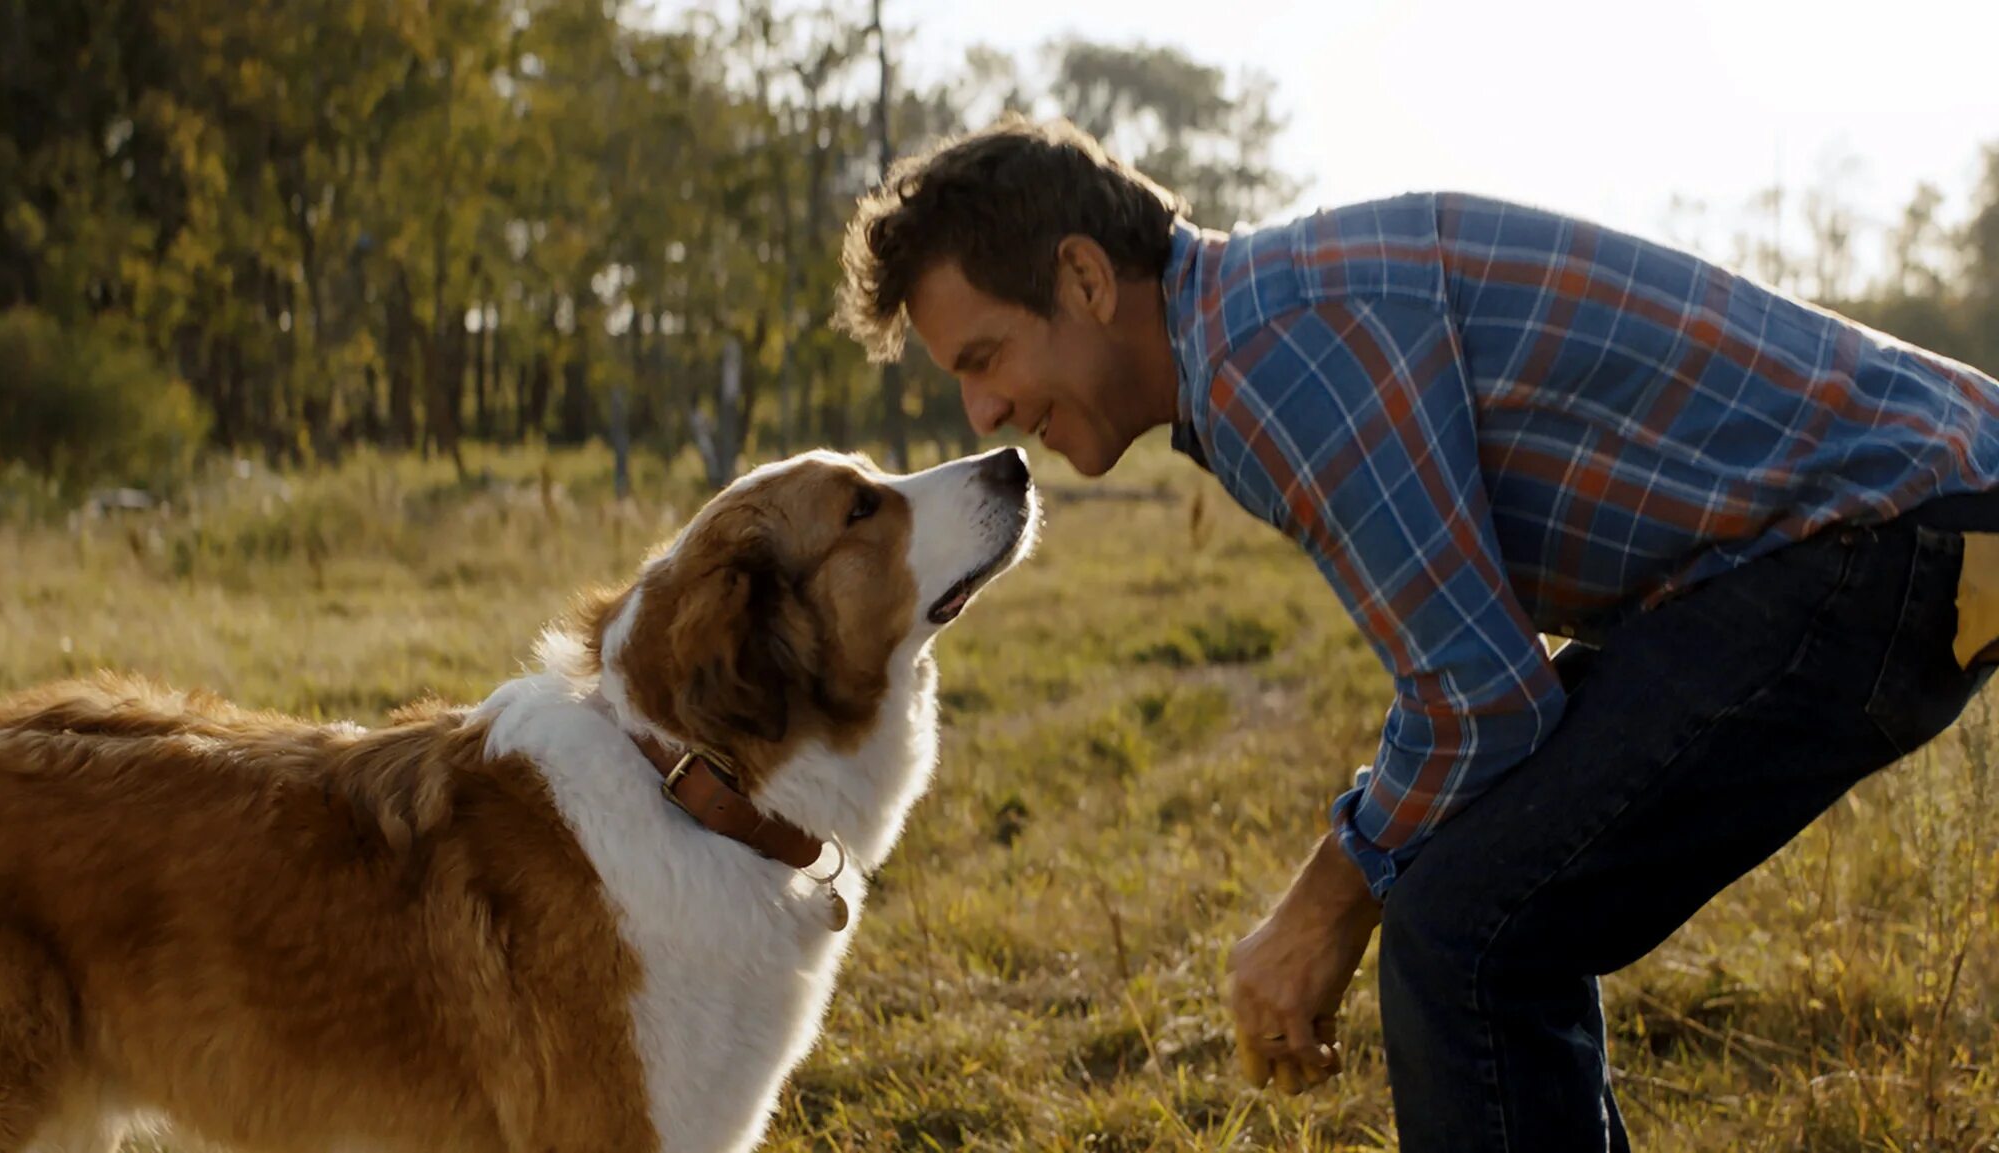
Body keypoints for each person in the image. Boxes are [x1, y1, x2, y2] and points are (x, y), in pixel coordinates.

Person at [831, 114, 1999, 1151]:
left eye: (983, 359)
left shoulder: (1270, 355)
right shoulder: (1259, 330)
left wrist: (1318, 905)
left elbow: (1480, 698)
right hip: (1883, 535)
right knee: (1480, 906)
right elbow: (1484, 693)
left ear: (1083, 279)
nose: (981, 414)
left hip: (1887, 539)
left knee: (1463, 932)